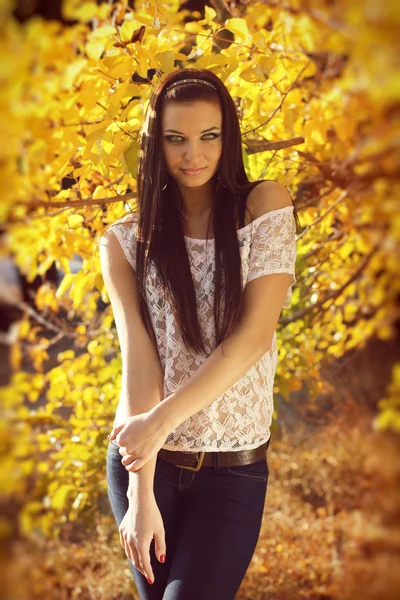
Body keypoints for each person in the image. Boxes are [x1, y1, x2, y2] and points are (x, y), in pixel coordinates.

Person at [99, 67, 299, 600]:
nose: (194, 155)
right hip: (146, 467)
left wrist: (156, 425)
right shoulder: (124, 241)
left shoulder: (266, 207)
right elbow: (140, 361)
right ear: (154, 144)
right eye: (176, 139)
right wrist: (140, 493)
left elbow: (252, 339)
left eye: (209, 137)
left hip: (233, 473)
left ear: (227, 138)